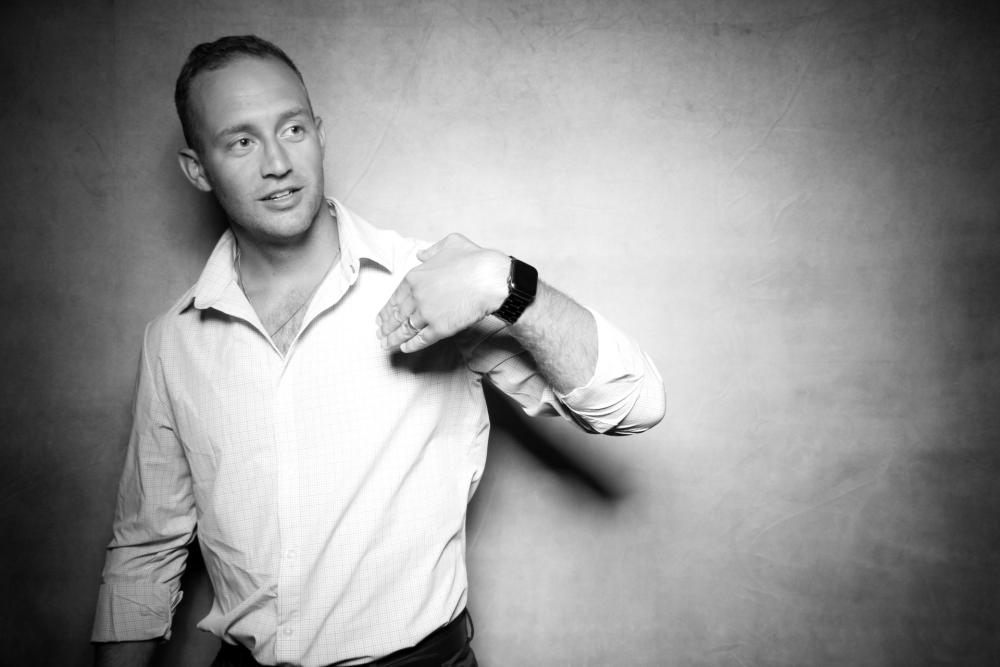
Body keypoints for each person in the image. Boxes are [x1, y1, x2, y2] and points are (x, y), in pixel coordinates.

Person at [91, 35, 665, 667]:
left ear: (319, 134)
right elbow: (145, 553)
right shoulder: (173, 341)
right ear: (198, 169)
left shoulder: (435, 286)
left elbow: (632, 404)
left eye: (292, 129)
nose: (278, 163)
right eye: (242, 142)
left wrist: (506, 283)